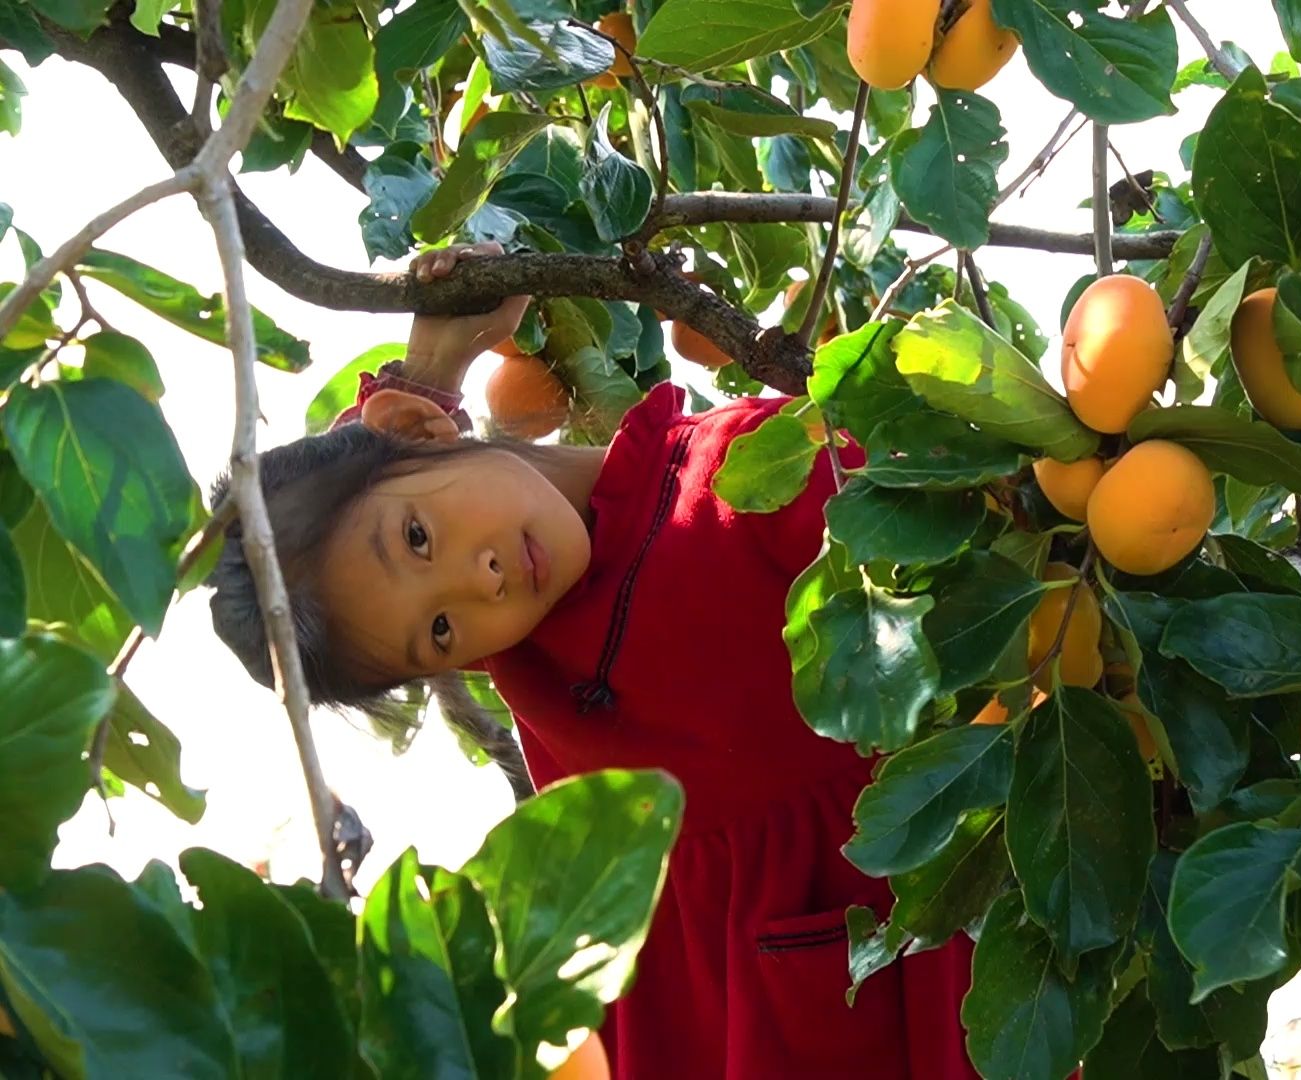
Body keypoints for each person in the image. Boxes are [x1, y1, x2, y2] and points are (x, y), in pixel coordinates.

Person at [206, 243, 977, 1078]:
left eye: (421, 539)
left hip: (917, 966)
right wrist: (423, 405)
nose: (480, 583)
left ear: (418, 428)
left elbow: (990, 584)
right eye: (438, 633)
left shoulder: (747, 479)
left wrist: (431, 367)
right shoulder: (527, 658)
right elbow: (364, 546)